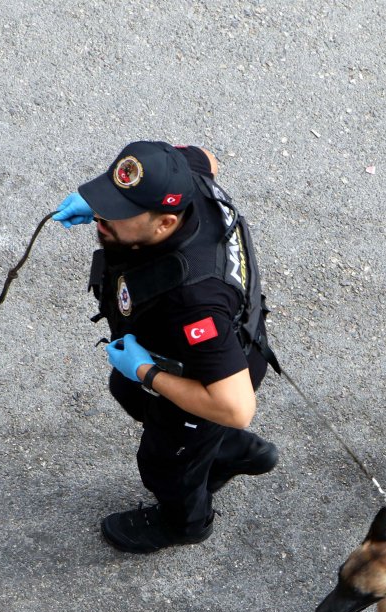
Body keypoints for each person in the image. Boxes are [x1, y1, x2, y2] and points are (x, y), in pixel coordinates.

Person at [52, 140, 280, 553]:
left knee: (166, 465)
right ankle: (228, 451)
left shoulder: (195, 302)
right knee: (125, 391)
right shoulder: (187, 179)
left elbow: (237, 407)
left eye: (119, 213)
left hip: (209, 373)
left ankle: (186, 523)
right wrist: (108, 209)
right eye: (106, 201)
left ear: (164, 224)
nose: (102, 217)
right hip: (191, 345)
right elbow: (206, 156)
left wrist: (148, 373)